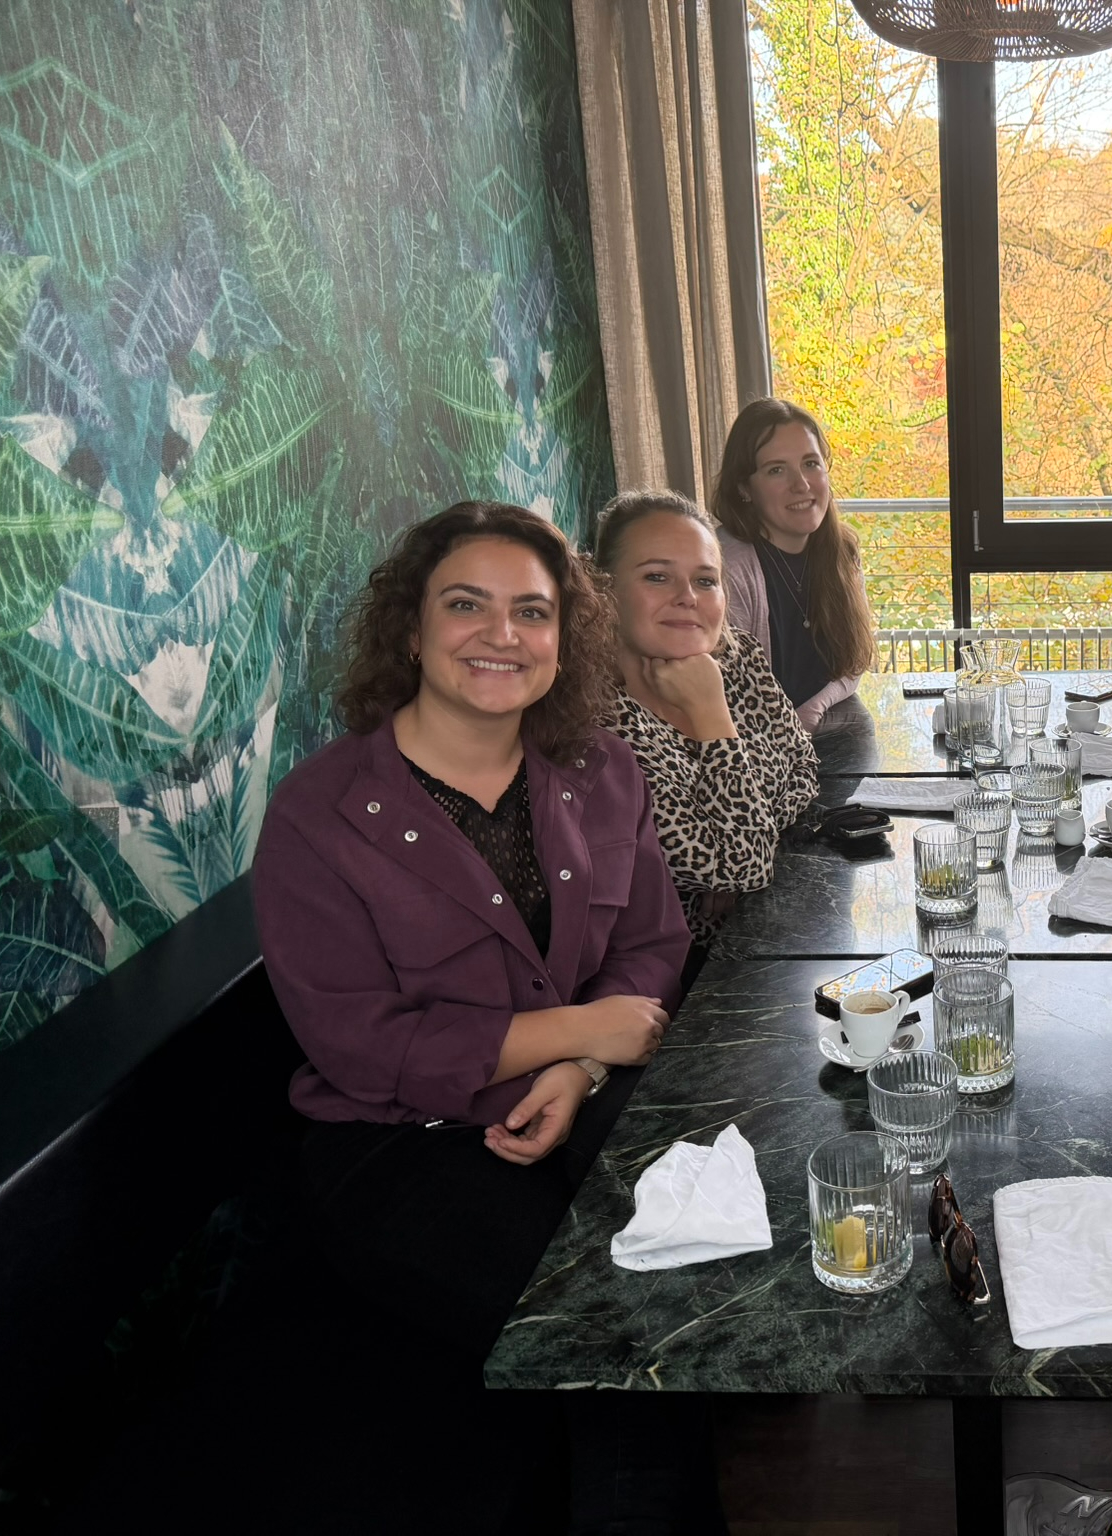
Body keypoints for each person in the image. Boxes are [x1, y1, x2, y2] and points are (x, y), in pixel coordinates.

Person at [251, 500, 727, 1533]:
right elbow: (361, 1045)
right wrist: (578, 1035)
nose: (502, 635)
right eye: (466, 605)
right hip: (402, 1142)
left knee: (697, 1281)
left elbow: (650, 942)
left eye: (532, 611)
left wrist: (581, 1070)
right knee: (609, 1337)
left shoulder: (601, 771)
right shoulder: (317, 816)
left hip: (585, 1095)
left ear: (565, 637)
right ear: (411, 630)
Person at [597, 489, 820, 952]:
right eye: (657, 577)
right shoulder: (598, 723)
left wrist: (742, 848)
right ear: (604, 589)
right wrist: (710, 714)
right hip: (680, 977)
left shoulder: (736, 655)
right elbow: (746, 865)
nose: (687, 598)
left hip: (765, 934)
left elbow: (802, 768)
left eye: (706, 580)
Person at [711, 397, 878, 733]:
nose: (801, 484)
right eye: (776, 470)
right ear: (744, 488)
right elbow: (731, 701)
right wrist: (796, 727)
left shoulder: (842, 550)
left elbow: (854, 662)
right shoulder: (725, 567)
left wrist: (815, 707)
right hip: (756, 750)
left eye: (810, 464)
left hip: (823, 732)